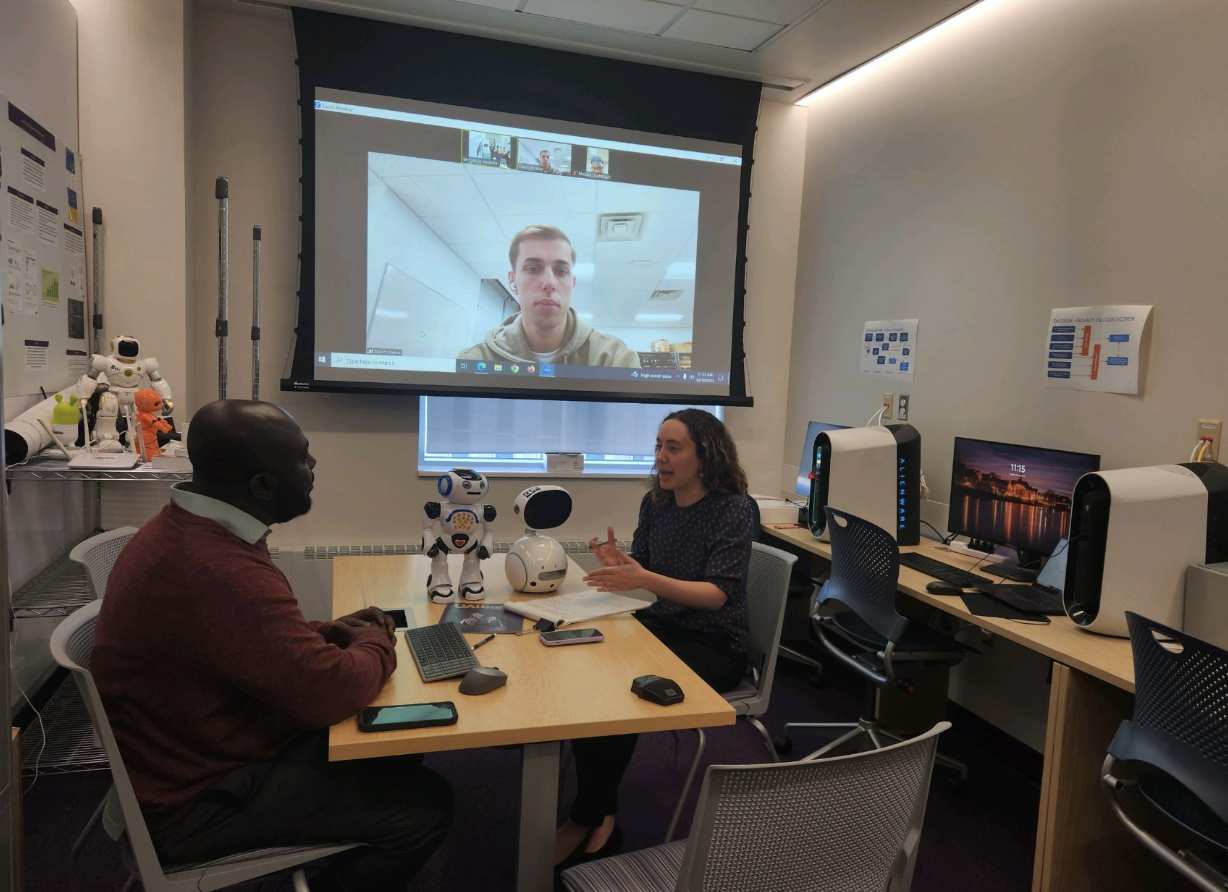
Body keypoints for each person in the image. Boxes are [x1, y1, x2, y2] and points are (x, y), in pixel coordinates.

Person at [92, 399, 452, 892]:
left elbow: (241, 639)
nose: (314, 467)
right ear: (262, 486)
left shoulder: (192, 529)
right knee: (424, 807)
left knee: (393, 749)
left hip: (193, 752)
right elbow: (329, 691)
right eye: (304, 459)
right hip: (196, 803)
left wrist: (327, 632)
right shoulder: (217, 568)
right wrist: (375, 642)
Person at [554, 408, 754, 867]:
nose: (660, 458)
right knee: (590, 667)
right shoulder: (657, 503)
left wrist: (644, 577)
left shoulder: (734, 510)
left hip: (714, 644)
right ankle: (600, 812)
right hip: (663, 627)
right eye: (658, 447)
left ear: (705, 457)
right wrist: (621, 563)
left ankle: (587, 817)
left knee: (621, 692)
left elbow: (717, 596)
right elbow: (642, 568)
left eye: (673, 448)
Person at [458, 224, 642, 368]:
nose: (549, 283)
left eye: (561, 271)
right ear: (512, 280)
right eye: (533, 269)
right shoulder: (475, 361)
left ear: (572, 284)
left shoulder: (614, 360)